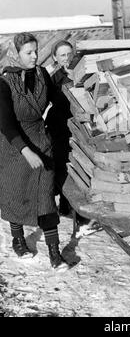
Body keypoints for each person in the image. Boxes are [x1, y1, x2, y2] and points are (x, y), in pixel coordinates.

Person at [0, 33, 68, 270]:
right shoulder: (4, 82)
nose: (34, 56)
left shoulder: (41, 75)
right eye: (28, 52)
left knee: (46, 197)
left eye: (36, 51)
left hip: (41, 139)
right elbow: (5, 123)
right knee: (15, 194)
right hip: (14, 147)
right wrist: (25, 151)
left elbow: (57, 100)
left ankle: (54, 251)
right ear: (15, 54)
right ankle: (18, 239)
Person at [45, 40, 74, 216]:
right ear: (55, 57)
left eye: (69, 54)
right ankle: (64, 203)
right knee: (63, 165)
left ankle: (70, 204)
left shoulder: (83, 72)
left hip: (82, 127)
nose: (67, 58)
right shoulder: (53, 79)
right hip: (61, 127)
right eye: (62, 55)